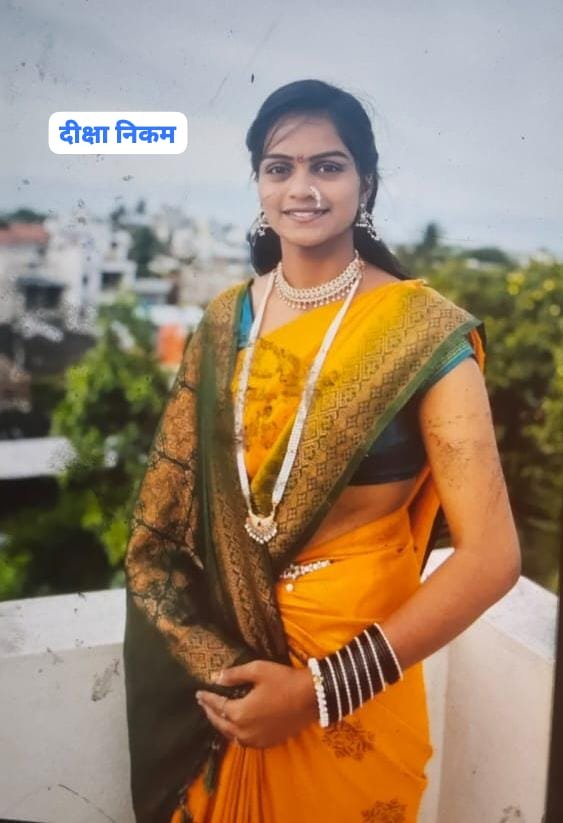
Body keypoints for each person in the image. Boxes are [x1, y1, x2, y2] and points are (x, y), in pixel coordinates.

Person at [123, 79, 521, 823]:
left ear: (365, 183)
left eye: (328, 166)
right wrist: (218, 667)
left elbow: (492, 558)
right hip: (229, 689)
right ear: (258, 183)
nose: (301, 188)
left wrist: (314, 695)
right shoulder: (223, 325)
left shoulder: (420, 336)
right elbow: (161, 530)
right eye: (280, 168)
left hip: (353, 694)